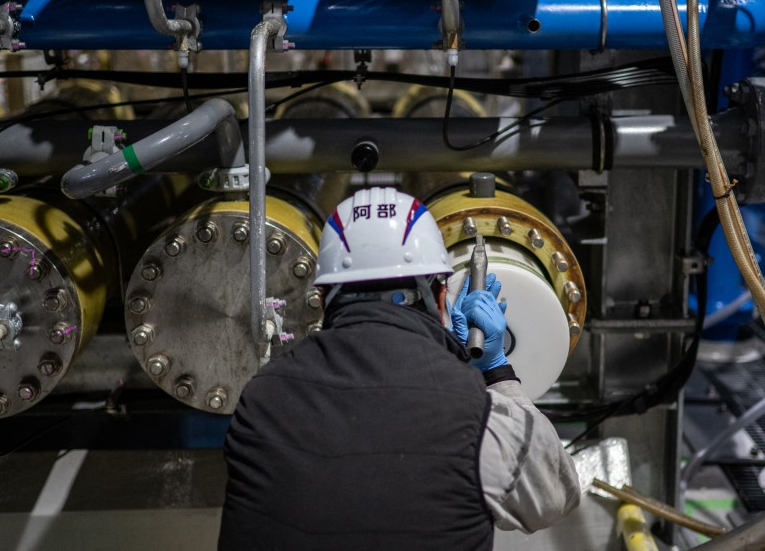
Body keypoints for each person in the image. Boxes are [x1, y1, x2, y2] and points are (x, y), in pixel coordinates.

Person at [219, 187, 580, 550]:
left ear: (325, 298)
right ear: (441, 297)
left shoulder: (260, 401)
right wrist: (495, 370)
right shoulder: (475, 416)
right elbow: (555, 496)